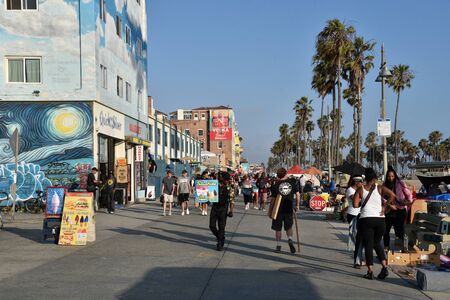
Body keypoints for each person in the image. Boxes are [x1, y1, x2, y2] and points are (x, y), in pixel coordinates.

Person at [353, 168, 395, 280]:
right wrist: (384, 207)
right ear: (375, 177)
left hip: (366, 219)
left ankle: (370, 271)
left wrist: (360, 201)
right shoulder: (380, 187)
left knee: (368, 245)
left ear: (365, 178)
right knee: (377, 243)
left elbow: (355, 204)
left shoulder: (360, 189)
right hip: (380, 219)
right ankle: (384, 267)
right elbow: (392, 195)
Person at [270, 168, 300, 254]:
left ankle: (278, 245)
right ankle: (290, 239)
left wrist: (270, 210)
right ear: (285, 174)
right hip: (288, 208)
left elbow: (273, 199)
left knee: (278, 228)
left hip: (277, 209)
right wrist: (297, 205)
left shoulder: (275, 184)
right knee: (289, 227)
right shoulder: (292, 182)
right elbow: (298, 194)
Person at [382, 166, 413, 250]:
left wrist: (408, 201)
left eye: (392, 176)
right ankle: (386, 249)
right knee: (385, 231)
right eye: (389, 176)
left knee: (399, 232)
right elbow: (382, 197)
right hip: (389, 211)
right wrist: (389, 205)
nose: (390, 178)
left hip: (400, 210)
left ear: (395, 175)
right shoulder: (384, 185)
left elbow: (409, 194)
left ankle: (411, 246)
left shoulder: (400, 183)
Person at [210, 171, 232, 251]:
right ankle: (220, 237)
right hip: (215, 207)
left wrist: (231, 210)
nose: (220, 177)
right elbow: (209, 193)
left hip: (223, 208)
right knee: (212, 226)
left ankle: (220, 243)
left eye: (221, 176)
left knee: (221, 227)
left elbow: (231, 199)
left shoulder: (229, 187)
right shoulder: (215, 185)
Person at [346, 175, 364, 268]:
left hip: (361, 214)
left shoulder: (361, 190)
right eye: (360, 182)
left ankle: (358, 258)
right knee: (356, 238)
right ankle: (357, 260)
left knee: (359, 238)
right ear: (356, 182)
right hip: (353, 214)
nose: (362, 183)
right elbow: (355, 201)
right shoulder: (350, 190)